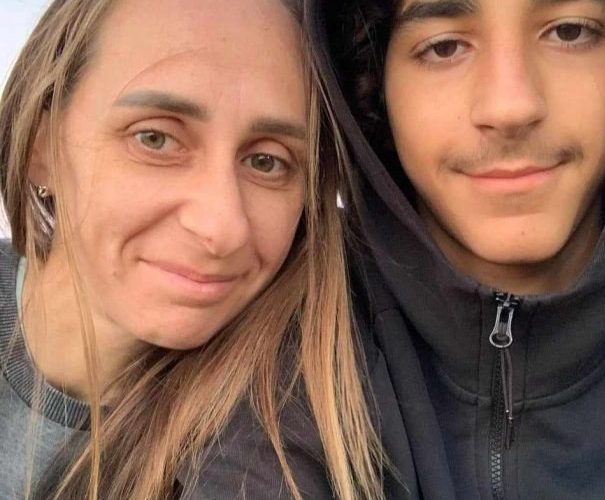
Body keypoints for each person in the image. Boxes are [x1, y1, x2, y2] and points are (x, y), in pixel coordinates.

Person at [303, 0, 605, 498]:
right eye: (445, 47)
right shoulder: (284, 335)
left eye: (569, 32)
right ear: (373, 84)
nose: (511, 108)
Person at [0, 0, 383, 498]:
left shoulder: (281, 434)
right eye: (155, 138)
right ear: (40, 148)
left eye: (267, 162)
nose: (221, 228)